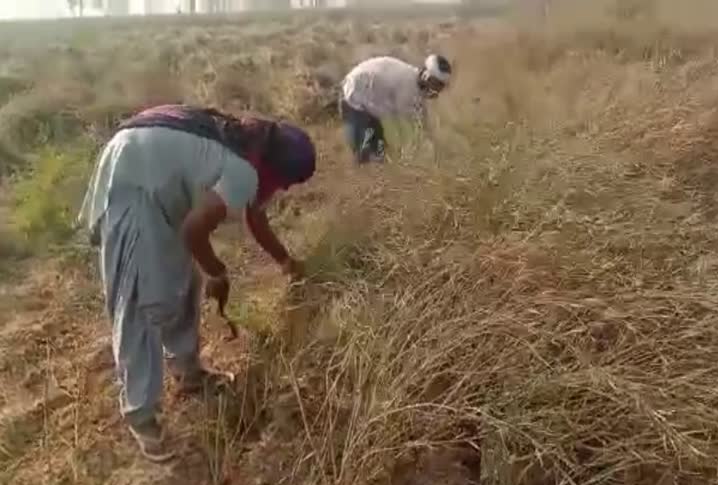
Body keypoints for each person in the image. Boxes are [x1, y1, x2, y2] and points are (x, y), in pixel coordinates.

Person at [77, 104, 316, 462]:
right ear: (276, 168)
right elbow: (194, 230)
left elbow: (255, 217)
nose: (281, 188)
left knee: (183, 280)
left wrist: (286, 262)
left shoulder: (246, 148)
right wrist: (217, 273)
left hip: (152, 172)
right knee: (142, 298)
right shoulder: (243, 170)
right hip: (134, 180)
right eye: (285, 181)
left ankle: (188, 373)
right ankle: (143, 418)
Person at [339, 54, 453, 164]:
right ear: (426, 76)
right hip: (354, 98)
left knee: (378, 154)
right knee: (364, 154)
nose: (437, 90)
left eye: (440, 86)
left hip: (370, 104)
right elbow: (409, 121)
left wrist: (434, 144)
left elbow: (421, 116)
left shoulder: (413, 83)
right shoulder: (407, 86)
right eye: (436, 84)